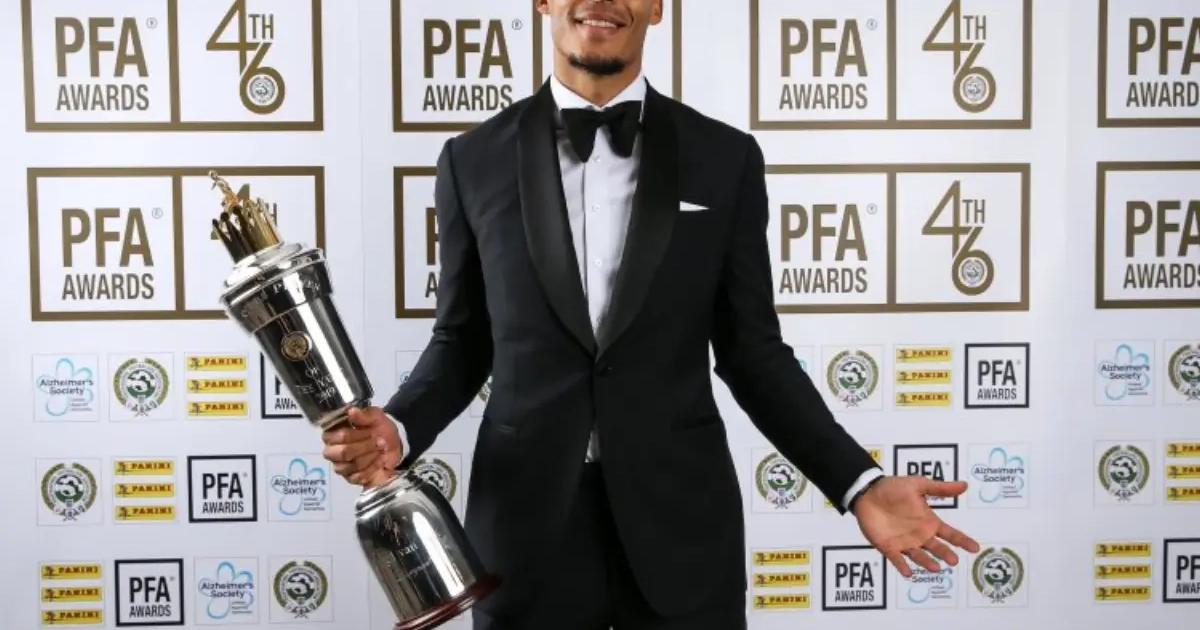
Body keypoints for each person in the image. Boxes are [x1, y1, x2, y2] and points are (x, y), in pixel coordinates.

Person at [322, 1, 980, 628]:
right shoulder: (471, 161)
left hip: (684, 531)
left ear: (657, 7)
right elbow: (463, 341)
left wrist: (858, 482)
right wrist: (397, 429)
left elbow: (753, 353)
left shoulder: (725, 158)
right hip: (524, 534)